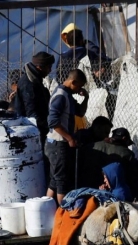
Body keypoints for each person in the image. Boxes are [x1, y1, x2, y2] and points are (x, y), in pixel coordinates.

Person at [45, 69, 89, 204]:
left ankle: (48, 208)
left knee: (55, 180)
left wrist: (86, 98)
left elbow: (80, 113)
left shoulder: (68, 95)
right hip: (58, 144)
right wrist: (69, 138)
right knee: (61, 181)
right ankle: (64, 213)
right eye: (79, 86)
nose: (79, 89)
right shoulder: (61, 96)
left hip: (57, 144)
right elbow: (52, 121)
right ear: (73, 82)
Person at [12, 52, 55, 141]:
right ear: (39, 67)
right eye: (48, 67)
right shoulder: (29, 84)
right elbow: (31, 113)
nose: (50, 70)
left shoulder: (34, 79)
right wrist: (46, 127)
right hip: (33, 131)